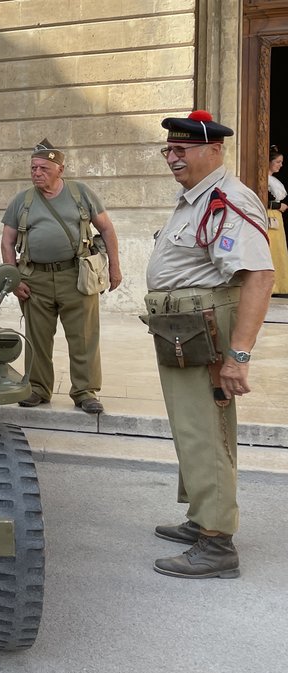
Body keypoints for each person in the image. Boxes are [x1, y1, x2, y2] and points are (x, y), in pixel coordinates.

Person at [146, 111, 274, 579]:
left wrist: (238, 356)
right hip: (185, 326)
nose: (172, 158)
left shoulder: (227, 199)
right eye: (169, 150)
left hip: (207, 328)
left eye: (182, 150)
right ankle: (202, 517)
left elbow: (259, 276)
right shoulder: (194, 199)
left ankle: (217, 544)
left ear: (214, 151)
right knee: (191, 425)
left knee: (206, 429)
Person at [0, 139, 122, 414]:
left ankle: (85, 391)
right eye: (33, 167)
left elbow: (107, 229)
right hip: (35, 279)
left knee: (84, 337)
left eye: (43, 167)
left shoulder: (81, 194)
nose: (36, 172)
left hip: (76, 276)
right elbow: (7, 242)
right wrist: (14, 279)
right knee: (38, 338)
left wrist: (114, 267)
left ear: (60, 170)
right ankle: (38, 389)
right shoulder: (22, 201)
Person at [265, 146, 288, 295]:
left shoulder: (272, 181)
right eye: (278, 161)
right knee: (270, 249)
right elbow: (261, 199)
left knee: (278, 250)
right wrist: (278, 205)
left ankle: (279, 285)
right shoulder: (263, 180)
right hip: (268, 216)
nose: (280, 165)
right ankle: (270, 287)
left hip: (275, 217)